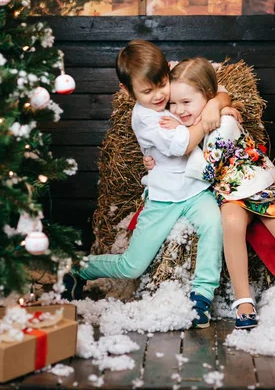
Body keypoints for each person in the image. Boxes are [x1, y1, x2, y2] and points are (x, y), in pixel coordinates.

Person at [146, 57, 275, 329]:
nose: (178, 110)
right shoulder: (194, 118)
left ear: (207, 98)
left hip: (259, 186)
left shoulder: (225, 124)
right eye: (173, 104)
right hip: (230, 194)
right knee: (230, 224)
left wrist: (183, 134)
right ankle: (243, 300)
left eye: (186, 103)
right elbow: (216, 93)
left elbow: (206, 169)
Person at [64, 41, 232, 329]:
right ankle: (80, 269)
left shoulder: (171, 98)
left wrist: (217, 102)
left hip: (195, 190)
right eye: (147, 91)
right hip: (164, 197)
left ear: (167, 73)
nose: (158, 96)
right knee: (133, 265)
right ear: (128, 92)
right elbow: (182, 145)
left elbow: (221, 89)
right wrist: (206, 121)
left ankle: (201, 297)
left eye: (162, 84)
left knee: (214, 225)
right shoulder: (145, 118)